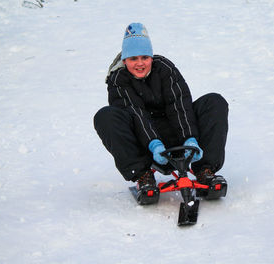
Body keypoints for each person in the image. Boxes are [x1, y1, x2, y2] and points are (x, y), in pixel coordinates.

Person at [94, 23, 228, 198]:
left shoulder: (163, 67)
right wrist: (155, 145)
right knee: (106, 116)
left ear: (151, 57)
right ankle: (143, 176)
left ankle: (205, 170)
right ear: (125, 60)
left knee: (214, 101)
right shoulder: (119, 79)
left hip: (177, 132)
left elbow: (179, 104)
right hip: (146, 144)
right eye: (133, 58)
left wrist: (190, 138)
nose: (140, 63)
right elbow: (136, 114)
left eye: (145, 57)